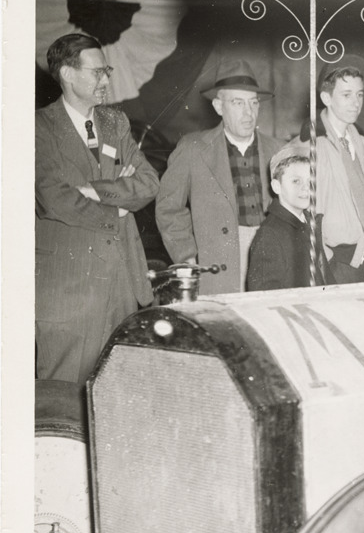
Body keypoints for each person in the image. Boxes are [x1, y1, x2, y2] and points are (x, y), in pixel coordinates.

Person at [36, 33, 159, 385]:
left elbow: (149, 182)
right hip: (69, 291)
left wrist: (95, 191)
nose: (106, 80)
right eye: (97, 72)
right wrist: (116, 208)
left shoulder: (114, 122)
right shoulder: (37, 127)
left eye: (107, 71)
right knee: (63, 397)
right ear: (67, 74)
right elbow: (53, 198)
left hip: (122, 286)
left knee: (118, 389)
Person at [155, 60, 284, 293]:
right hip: (219, 262)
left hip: (271, 256)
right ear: (218, 106)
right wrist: (187, 256)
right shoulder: (193, 149)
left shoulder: (278, 150)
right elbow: (168, 207)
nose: (248, 113)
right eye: (238, 102)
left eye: (253, 103)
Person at [295, 56, 364, 282]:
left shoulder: (363, 143)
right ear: (326, 98)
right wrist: (327, 256)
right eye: (346, 95)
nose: (355, 103)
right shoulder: (312, 144)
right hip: (341, 257)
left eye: (359, 95)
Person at [245, 143, 332, 291]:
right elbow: (263, 293)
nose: (306, 188)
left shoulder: (309, 223)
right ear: (276, 186)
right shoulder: (270, 234)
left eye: (310, 181)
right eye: (296, 181)